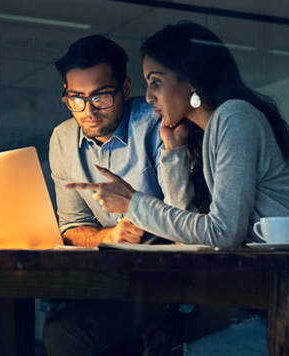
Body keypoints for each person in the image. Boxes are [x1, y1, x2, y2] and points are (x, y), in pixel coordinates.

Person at [66, 22, 289, 355]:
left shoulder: (235, 117)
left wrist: (133, 203)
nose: (150, 96)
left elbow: (223, 231)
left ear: (191, 80)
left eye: (156, 82)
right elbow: (190, 235)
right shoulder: (208, 134)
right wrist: (172, 152)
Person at [43, 34, 188, 356]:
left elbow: (189, 219)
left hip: (177, 285)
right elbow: (71, 228)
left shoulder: (157, 123)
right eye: (76, 98)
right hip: (116, 286)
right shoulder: (63, 141)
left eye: (101, 96)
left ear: (124, 89)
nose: (88, 111)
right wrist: (111, 234)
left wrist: (177, 313)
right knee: (61, 331)